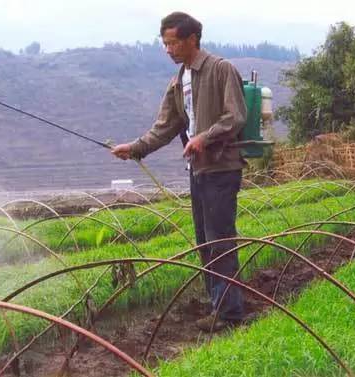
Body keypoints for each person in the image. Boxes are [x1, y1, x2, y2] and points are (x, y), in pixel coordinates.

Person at [111, 11, 247, 332]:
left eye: (173, 43)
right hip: (197, 169)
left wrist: (203, 137)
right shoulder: (177, 83)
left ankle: (229, 313)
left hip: (221, 168)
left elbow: (235, 116)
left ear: (192, 40)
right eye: (165, 44)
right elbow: (165, 127)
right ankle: (219, 303)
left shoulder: (220, 70)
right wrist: (134, 148)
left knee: (219, 239)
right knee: (204, 241)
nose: (169, 49)